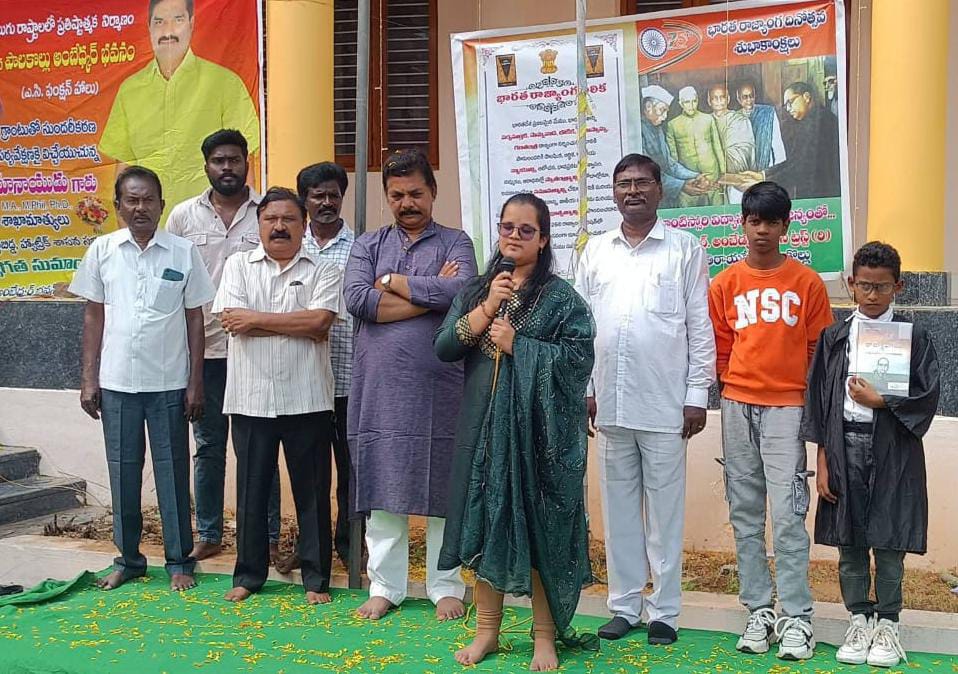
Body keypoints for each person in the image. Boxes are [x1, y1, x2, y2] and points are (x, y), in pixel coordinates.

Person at [437, 193, 597, 671]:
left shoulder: (561, 299)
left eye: (526, 230)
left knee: (541, 532)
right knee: (488, 527)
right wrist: (487, 307)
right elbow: (444, 346)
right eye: (507, 227)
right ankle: (487, 632)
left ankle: (543, 637)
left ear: (543, 239)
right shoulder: (478, 291)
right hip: (485, 435)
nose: (514, 236)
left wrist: (519, 345)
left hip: (540, 441)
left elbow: (578, 361)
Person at [574, 154, 715, 646]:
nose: (632, 191)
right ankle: (624, 605)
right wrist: (585, 389)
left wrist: (697, 394)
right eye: (623, 184)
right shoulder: (595, 251)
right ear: (613, 192)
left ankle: (665, 612)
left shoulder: (684, 249)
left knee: (665, 513)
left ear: (659, 188)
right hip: (609, 403)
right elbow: (580, 328)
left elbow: (699, 326)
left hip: (665, 403)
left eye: (641, 182)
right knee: (618, 512)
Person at [344, 149, 477, 621]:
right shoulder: (367, 245)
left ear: (433, 192)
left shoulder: (456, 241)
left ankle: (446, 586)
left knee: (443, 488)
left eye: (416, 193)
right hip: (381, 389)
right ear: (387, 197)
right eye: (397, 195)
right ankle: (386, 586)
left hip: (443, 389)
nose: (407, 203)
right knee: (383, 487)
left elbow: (462, 292)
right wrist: (428, 293)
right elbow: (358, 299)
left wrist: (394, 282)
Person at [70, 166, 215, 592]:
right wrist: (89, 379)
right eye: (131, 200)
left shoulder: (182, 252)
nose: (140, 207)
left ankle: (179, 561)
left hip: (169, 382)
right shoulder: (102, 250)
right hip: (116, 383)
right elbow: (93, 316)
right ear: (118, 207)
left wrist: (195, 381)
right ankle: (129, 560)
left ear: (161, 205)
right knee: (123, 473)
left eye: (148, 199)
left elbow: (195, 319)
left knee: (173, 473)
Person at [708, 181, 834, 661]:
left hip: (788, 408)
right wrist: (731, 385)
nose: (762, 230)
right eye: (754, 220)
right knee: (744, 513)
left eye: (771, 222)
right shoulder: (725, 283)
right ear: (742, 224)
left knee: (787, 514)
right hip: (737, 406)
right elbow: (721, 346)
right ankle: (758, 609)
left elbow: (818, 349)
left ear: (786, 226)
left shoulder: (806, 283)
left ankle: (797, 617)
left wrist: (803, 399)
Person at [803, 242, 940, 668]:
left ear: (898, 286)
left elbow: (928, 394)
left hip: (893, 448)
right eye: (865, 285)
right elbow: (819, 400)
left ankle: (889, 623)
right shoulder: (834, 338)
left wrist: (882, 401)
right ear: (851, 285)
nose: (873, 294)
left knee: (889, 539)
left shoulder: (914, 337)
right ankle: (859, 618)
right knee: (850, 541)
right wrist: (823, 460)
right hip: (844, 445)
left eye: (882, 287)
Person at [212, 187, 342, 605]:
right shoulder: (238, 265)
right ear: (259, 225)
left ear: (304, 225)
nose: (280, 227)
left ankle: (316, 579)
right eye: (271, 219)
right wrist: (293, 323)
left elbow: (320, 323)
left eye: (289, 219)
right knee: (251, 491)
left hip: (308, 397)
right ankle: (249, 575)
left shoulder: (324, 269)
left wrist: (256, 320)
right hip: (250, 399)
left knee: (313, 492)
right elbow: (232, 321)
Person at [166, 128, 283, 563]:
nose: (227, 167)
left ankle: (267, 537)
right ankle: (210, 533)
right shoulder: (183, 217)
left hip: (257, 351)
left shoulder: (266, 213)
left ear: (246, 163)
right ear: (206, 166)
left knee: (259, 449)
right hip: (206, 355)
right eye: (219, 160)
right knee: (209, 447)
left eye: (234, 159)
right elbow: (173, 285)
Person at [99, 0, 260, 223]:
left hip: (211, 228)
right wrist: (126, 235)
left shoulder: (225, 83)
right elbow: (123, 171)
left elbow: (244, 162)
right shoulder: (130, 90)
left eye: (177, 20)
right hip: (150, 230)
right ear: (149, 28)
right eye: (159, 22)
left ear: (191, 24)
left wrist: (245, 228)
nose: (168, 31)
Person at [273, 161, 359, 573]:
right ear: (304, 200)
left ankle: (350, 548)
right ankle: (311, 548)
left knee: (351, 473)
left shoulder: (361, 248)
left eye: (333, 195)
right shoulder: (290, 246)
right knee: (309, 474)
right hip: (303, 379)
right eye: (317, 196)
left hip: (349, 378)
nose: (326, 202)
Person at [737, 82, 840, 199]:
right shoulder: (811, 120)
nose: (788, 109)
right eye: (786, 105)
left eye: (790, 102)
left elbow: (799, 168)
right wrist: (762, 175)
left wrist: (764, 180)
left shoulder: (822, 122)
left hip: (823, 196)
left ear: (806, 97)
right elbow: (794, 161)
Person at [639, 85, 707, 207]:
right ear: (648, 107)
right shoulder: (638, 131)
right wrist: (681, 186)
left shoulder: (658, 129)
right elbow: (647, 173)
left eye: (667, 111)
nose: (665, 116)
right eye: (662, 110)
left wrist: (695, 175)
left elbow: (670, 164)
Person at [666, 86, 726, 206]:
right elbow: (673, 157)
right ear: (681, 103)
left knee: (717, 211)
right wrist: (680, 181)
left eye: (694, 101)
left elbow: (717, 146)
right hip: (689, 178)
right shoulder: (672, 125)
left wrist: (723, 172)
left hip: (711, 174)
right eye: (687, 102)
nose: (691, 105)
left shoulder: (708, 119)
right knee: (688, 213)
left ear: (697, 101)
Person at [708, 84, 754, 204]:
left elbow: (747, 148)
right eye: (715, 98)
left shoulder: (739, 119)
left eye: (722, 97)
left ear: (728, 99)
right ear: (709, 101)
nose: (719, 101)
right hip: (713, 178)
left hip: (737, 178)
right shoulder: (704, 121)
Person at [735, 81, 786, 172]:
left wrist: (780, 169)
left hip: (767, 166)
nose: (749, 100)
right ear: (739, 99)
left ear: (755, 96)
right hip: (745, 168)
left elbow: (777, 143)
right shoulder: (735, 118)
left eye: (751, 96)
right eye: (745, 97)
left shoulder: (768, 113)